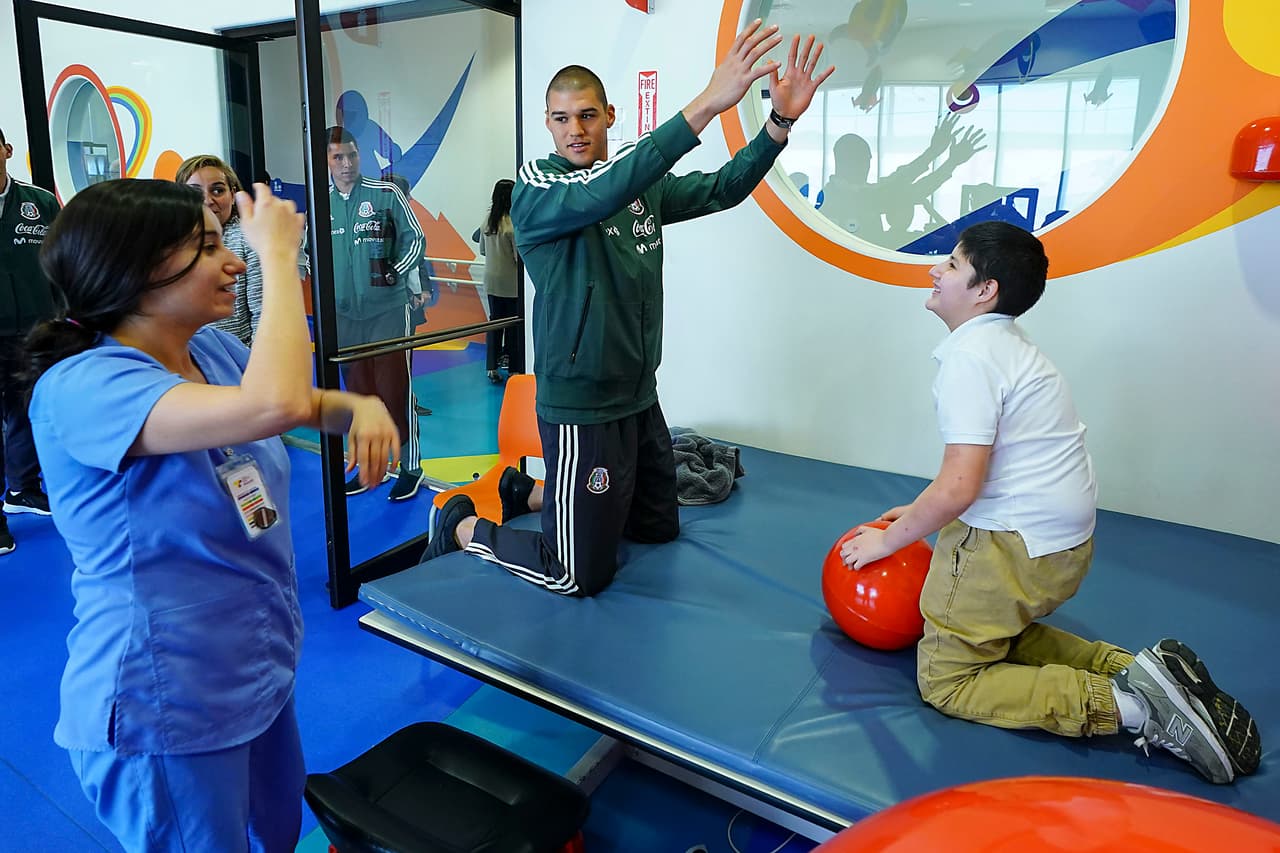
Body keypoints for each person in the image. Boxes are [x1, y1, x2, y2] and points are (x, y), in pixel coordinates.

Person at [23, 179, 398, 850]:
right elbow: (273, 405)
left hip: (252, 662)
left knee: (279, 828)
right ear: (133, 271)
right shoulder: (84, 387)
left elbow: (294, 400)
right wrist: (278, 259)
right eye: (206, 246)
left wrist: (355, 408)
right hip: (165, 691)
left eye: (228, 240)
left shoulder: (214, 353)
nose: (232, 259)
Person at [838, 221, 1261, 784]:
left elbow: (961, 487)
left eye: (953, 265)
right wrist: (915, 510)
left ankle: (1136, 707)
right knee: (1000, 633)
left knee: (947, 679)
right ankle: (1137, 671)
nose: (936, 270)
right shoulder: (1010, 346)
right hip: (1061, 549)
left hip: (1012, 552)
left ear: (985, 290)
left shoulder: (971, 359)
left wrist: (889, 541)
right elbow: (986, 468)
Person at [422, 21, 835, 597]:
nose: (575, 130)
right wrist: (708, 104)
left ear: (610, 116)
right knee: (577, 575)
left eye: (587, 115)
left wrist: (777, 125)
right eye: (561, 118)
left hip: (639, 396)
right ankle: (464, 527)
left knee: (658, 527)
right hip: (581, 406)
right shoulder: (537, 188)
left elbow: (722, 188)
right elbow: (599, 191)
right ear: (547, 123)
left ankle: (531, 495)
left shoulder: (635, 185)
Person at [326, 126, 428, 500]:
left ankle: (410, 466)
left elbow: (416, 238)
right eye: (338, 157)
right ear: (327, 161)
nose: (346, 163)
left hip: (388, 312)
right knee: (360, 396)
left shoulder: (385, 195)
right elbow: (307, 254)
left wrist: (393, 273)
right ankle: (374, 466)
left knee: (394, 390)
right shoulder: (322, 205)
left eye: (351, 155)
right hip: (345, 317)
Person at [175, 154, 311, 346]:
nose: (207, 200)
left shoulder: (249, 238)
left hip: (237, 360)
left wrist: (253, 364)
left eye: (217, 190)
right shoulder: (172, 242)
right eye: (195, 192)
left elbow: (262, 315)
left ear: (232, 195)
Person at [0, 125, 60, 555]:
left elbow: (62, 263)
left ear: (6, 150)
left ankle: (21, 489)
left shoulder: (39, 203)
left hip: (32, 332)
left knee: (26, 413)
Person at [819, 113, 984, 247]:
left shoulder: (863, 192)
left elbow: (906, 185)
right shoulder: (838, 198)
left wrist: (945, 158)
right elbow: (903, 182)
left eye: (868, 160)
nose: (866, 166)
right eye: (862, 160)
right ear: (843, 160)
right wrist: (937, 154)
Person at [476, 178, 519, 384]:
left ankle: (491, 367)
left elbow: (482, 250)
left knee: (495, 323)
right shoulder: (513, 223)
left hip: (491, 282)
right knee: (513, 326)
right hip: (511, 284)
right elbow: (518, 257)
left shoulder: (487, 220)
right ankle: (514, 368)